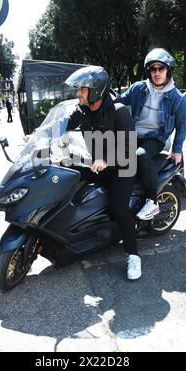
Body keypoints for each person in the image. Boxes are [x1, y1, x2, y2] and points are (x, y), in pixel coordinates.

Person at [63, 66, 142, 280]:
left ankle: (133, 256)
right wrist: (36, 136)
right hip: (97, 164)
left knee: (119, 208)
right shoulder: (83, 110)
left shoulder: (118, 111)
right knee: (66, 172)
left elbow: (128, 147)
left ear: (96, 90)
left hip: (122, 167)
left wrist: (106, 160)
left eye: (82, 89)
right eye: (78, 89)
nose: (78, 93)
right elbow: (61, 125)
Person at [119, 48, 186, 221]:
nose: (157, 73)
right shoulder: (138, 88)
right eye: (153, 69)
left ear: (168, 71)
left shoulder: (177, 98)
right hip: (133, 134)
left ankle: (152, 201)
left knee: (139, 155)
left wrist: (177, 149)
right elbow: (118, 101)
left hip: (156, 138)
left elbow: (181, 126)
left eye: (161, 69)